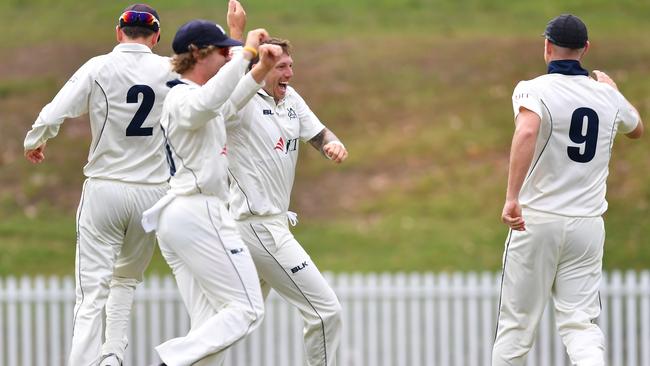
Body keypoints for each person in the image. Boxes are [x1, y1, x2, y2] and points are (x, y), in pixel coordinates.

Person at [23, 4, 176, 366]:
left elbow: (55, 109)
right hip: (153, 194)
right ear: (155, 36)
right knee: (125, 280)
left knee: (90, 293)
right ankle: (112, 355)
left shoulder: (99, 66)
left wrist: (36, 139)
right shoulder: (170, 70)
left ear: (118, 32)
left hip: (105, 188)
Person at [492, 14, 644, 366]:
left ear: (547, 47)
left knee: (516, 327)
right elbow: (636, 128)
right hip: (587, 225)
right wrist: (614, 93)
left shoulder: (534, 88)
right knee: (580, 323)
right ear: (585, 49)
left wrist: (512, 197)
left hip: (537, 220)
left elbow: (527, 131)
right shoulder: (606, 96)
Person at [140, 7, 284, 366]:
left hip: (181, 217)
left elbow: (229, 101)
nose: (229, 56)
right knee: (248, 309)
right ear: (199, 52)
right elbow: (210, 101)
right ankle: (171, 359)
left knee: (210, 326)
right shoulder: (182, 97)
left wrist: (261, 69)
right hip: (198, 210)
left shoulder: (201, 100)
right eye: (223, 51)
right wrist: (248, 53)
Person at [224, 38, 346, 366]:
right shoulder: (240, 101)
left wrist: (333, 145)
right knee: (325, 312)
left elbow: (319, 135)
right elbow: (225, 89)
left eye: (291, 65)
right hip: (257, 226)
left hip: (272, 225)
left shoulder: (290, 98)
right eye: (281, 67)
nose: (290, 73)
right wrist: (238, 35)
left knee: (235, 322)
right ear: (261, 70)